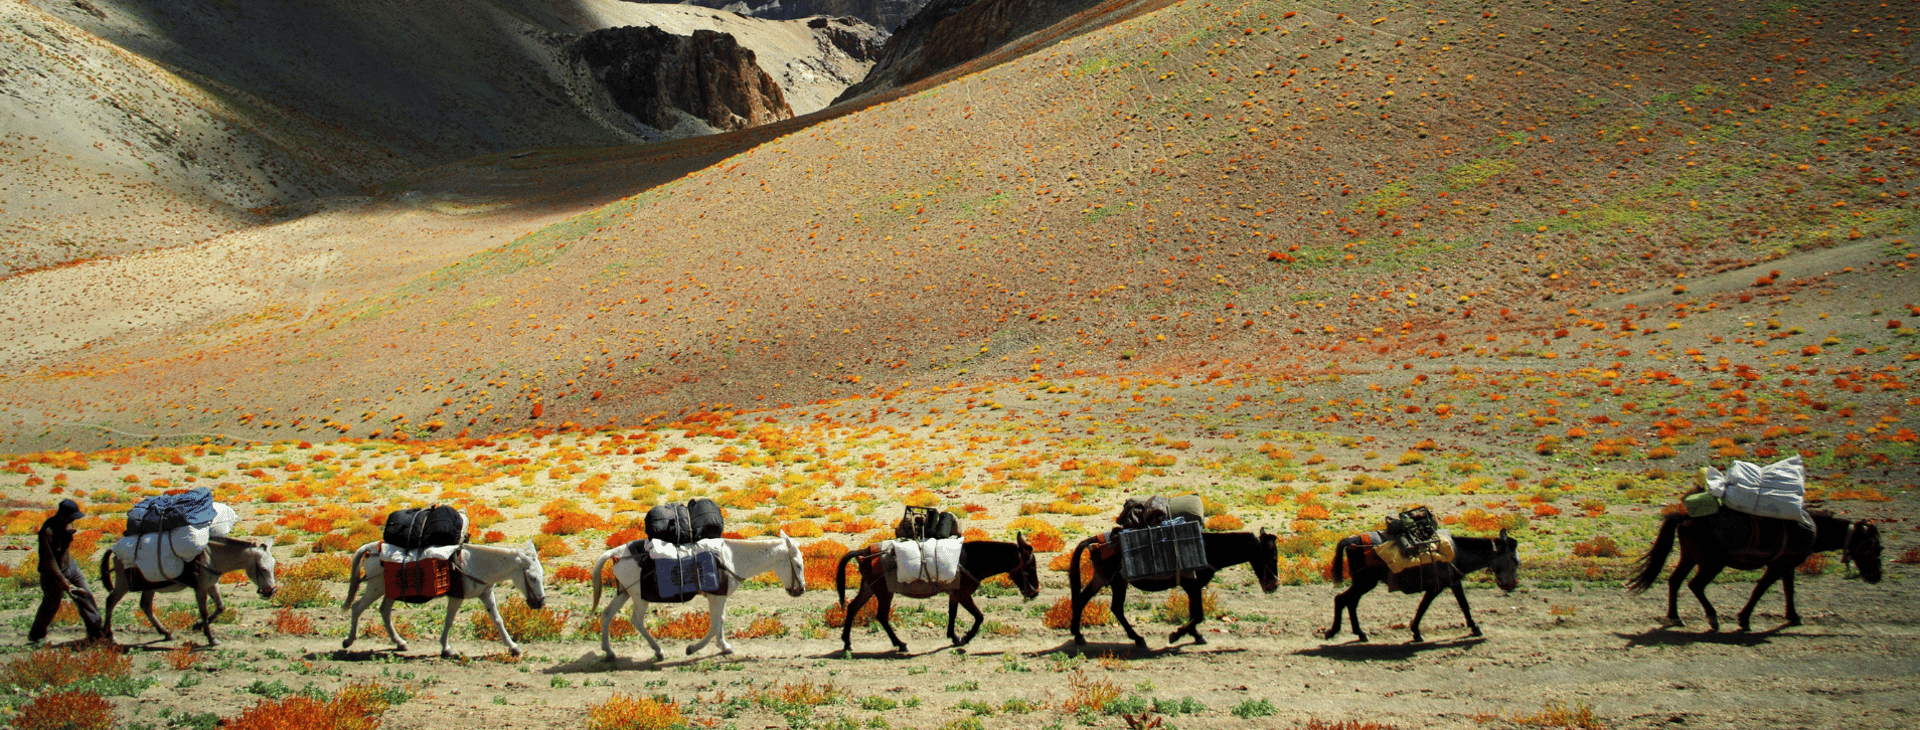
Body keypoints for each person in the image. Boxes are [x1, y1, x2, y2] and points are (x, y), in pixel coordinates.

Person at [30, 499, 105, 643]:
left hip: (71, 567)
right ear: (62, 515)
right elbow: (49, 560)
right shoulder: (47, 532)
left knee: (86, 595)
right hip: (52, 574)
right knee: (51, 604)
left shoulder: (67, 522)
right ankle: (36, 635)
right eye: (72, 517)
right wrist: (63, 582)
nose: (73, 520)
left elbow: (67, 538)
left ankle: (96, 634)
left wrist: (69, 533)